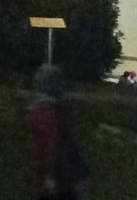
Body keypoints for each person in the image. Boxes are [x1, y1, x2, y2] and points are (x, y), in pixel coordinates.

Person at [27, 63, 90, 200]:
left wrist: (48, 172)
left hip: (56, 172)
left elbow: (50, 142)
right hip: (65, 171)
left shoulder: (44, 111)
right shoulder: (60, 108)